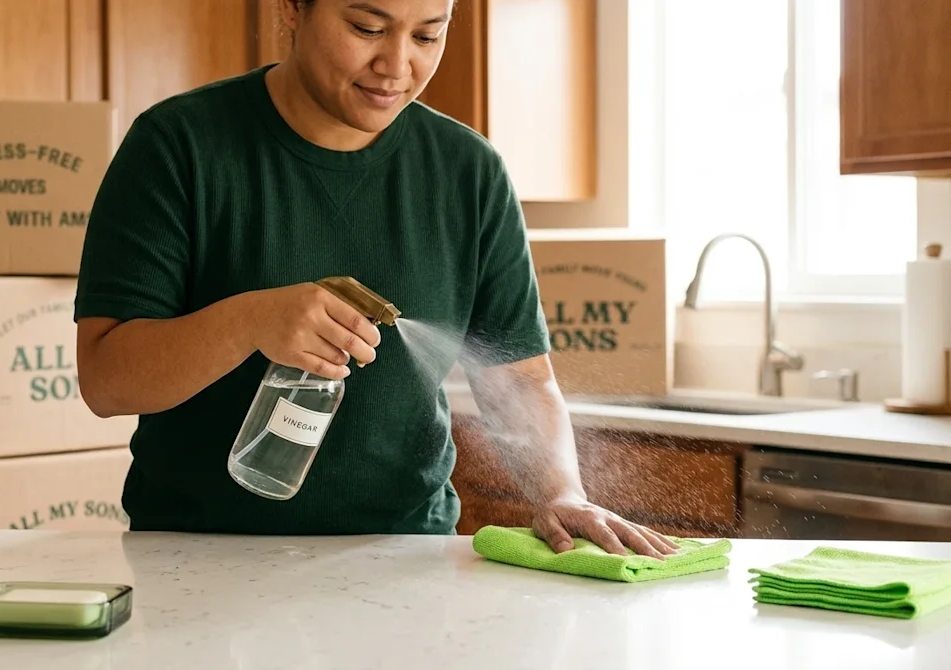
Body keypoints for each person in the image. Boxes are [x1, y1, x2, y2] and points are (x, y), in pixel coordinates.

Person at [73, 0, 678, 559]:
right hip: (195, 558)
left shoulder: (469, 172)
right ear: (292, 9)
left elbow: (518, 379)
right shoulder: (178, 147)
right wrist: (250, 321)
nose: (396, 65)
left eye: (427, 35)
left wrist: (562, 492)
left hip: (405, 557)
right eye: (366, 28)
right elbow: (106, 382)